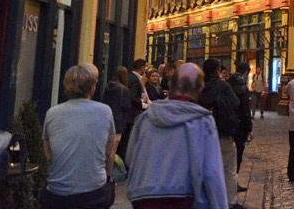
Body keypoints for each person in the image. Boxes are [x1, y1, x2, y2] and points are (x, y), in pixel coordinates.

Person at [125, 63, 228, 209]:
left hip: (144, 197)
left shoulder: (146, 118)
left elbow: (130, 158)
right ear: (200, 88)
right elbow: (212, 173)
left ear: (171, 85)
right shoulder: (202, 122)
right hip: (183, 199)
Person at [40, 64, 116, 209]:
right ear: (92, 87)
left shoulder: (52, 113)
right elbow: (109, 153)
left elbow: (48, 155)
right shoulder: (105, 111)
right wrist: (108, 178)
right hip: (94, 192)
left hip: (57, 193)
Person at [197, 59, 241, 208]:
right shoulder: (223, 85)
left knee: (204, 170)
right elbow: (236, 103)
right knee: (228, 169)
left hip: (201, 135)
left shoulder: (199, 86)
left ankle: (206, 200)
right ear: (217, 70)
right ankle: (229, 202)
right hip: (222, 133)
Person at [228, 62, 254, 176]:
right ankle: (234, 178)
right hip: (240, 126)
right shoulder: (243, 88)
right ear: (246, 73)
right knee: (238, 153)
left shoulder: (227, 84)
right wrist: (249, 128)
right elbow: (245, 111)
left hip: (227, 123)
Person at [102, 67, 131, 151]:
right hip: (119, 122)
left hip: (107, 120)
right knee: (113, 149)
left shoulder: (108, 86)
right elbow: (127, 106)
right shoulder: (124, 89)